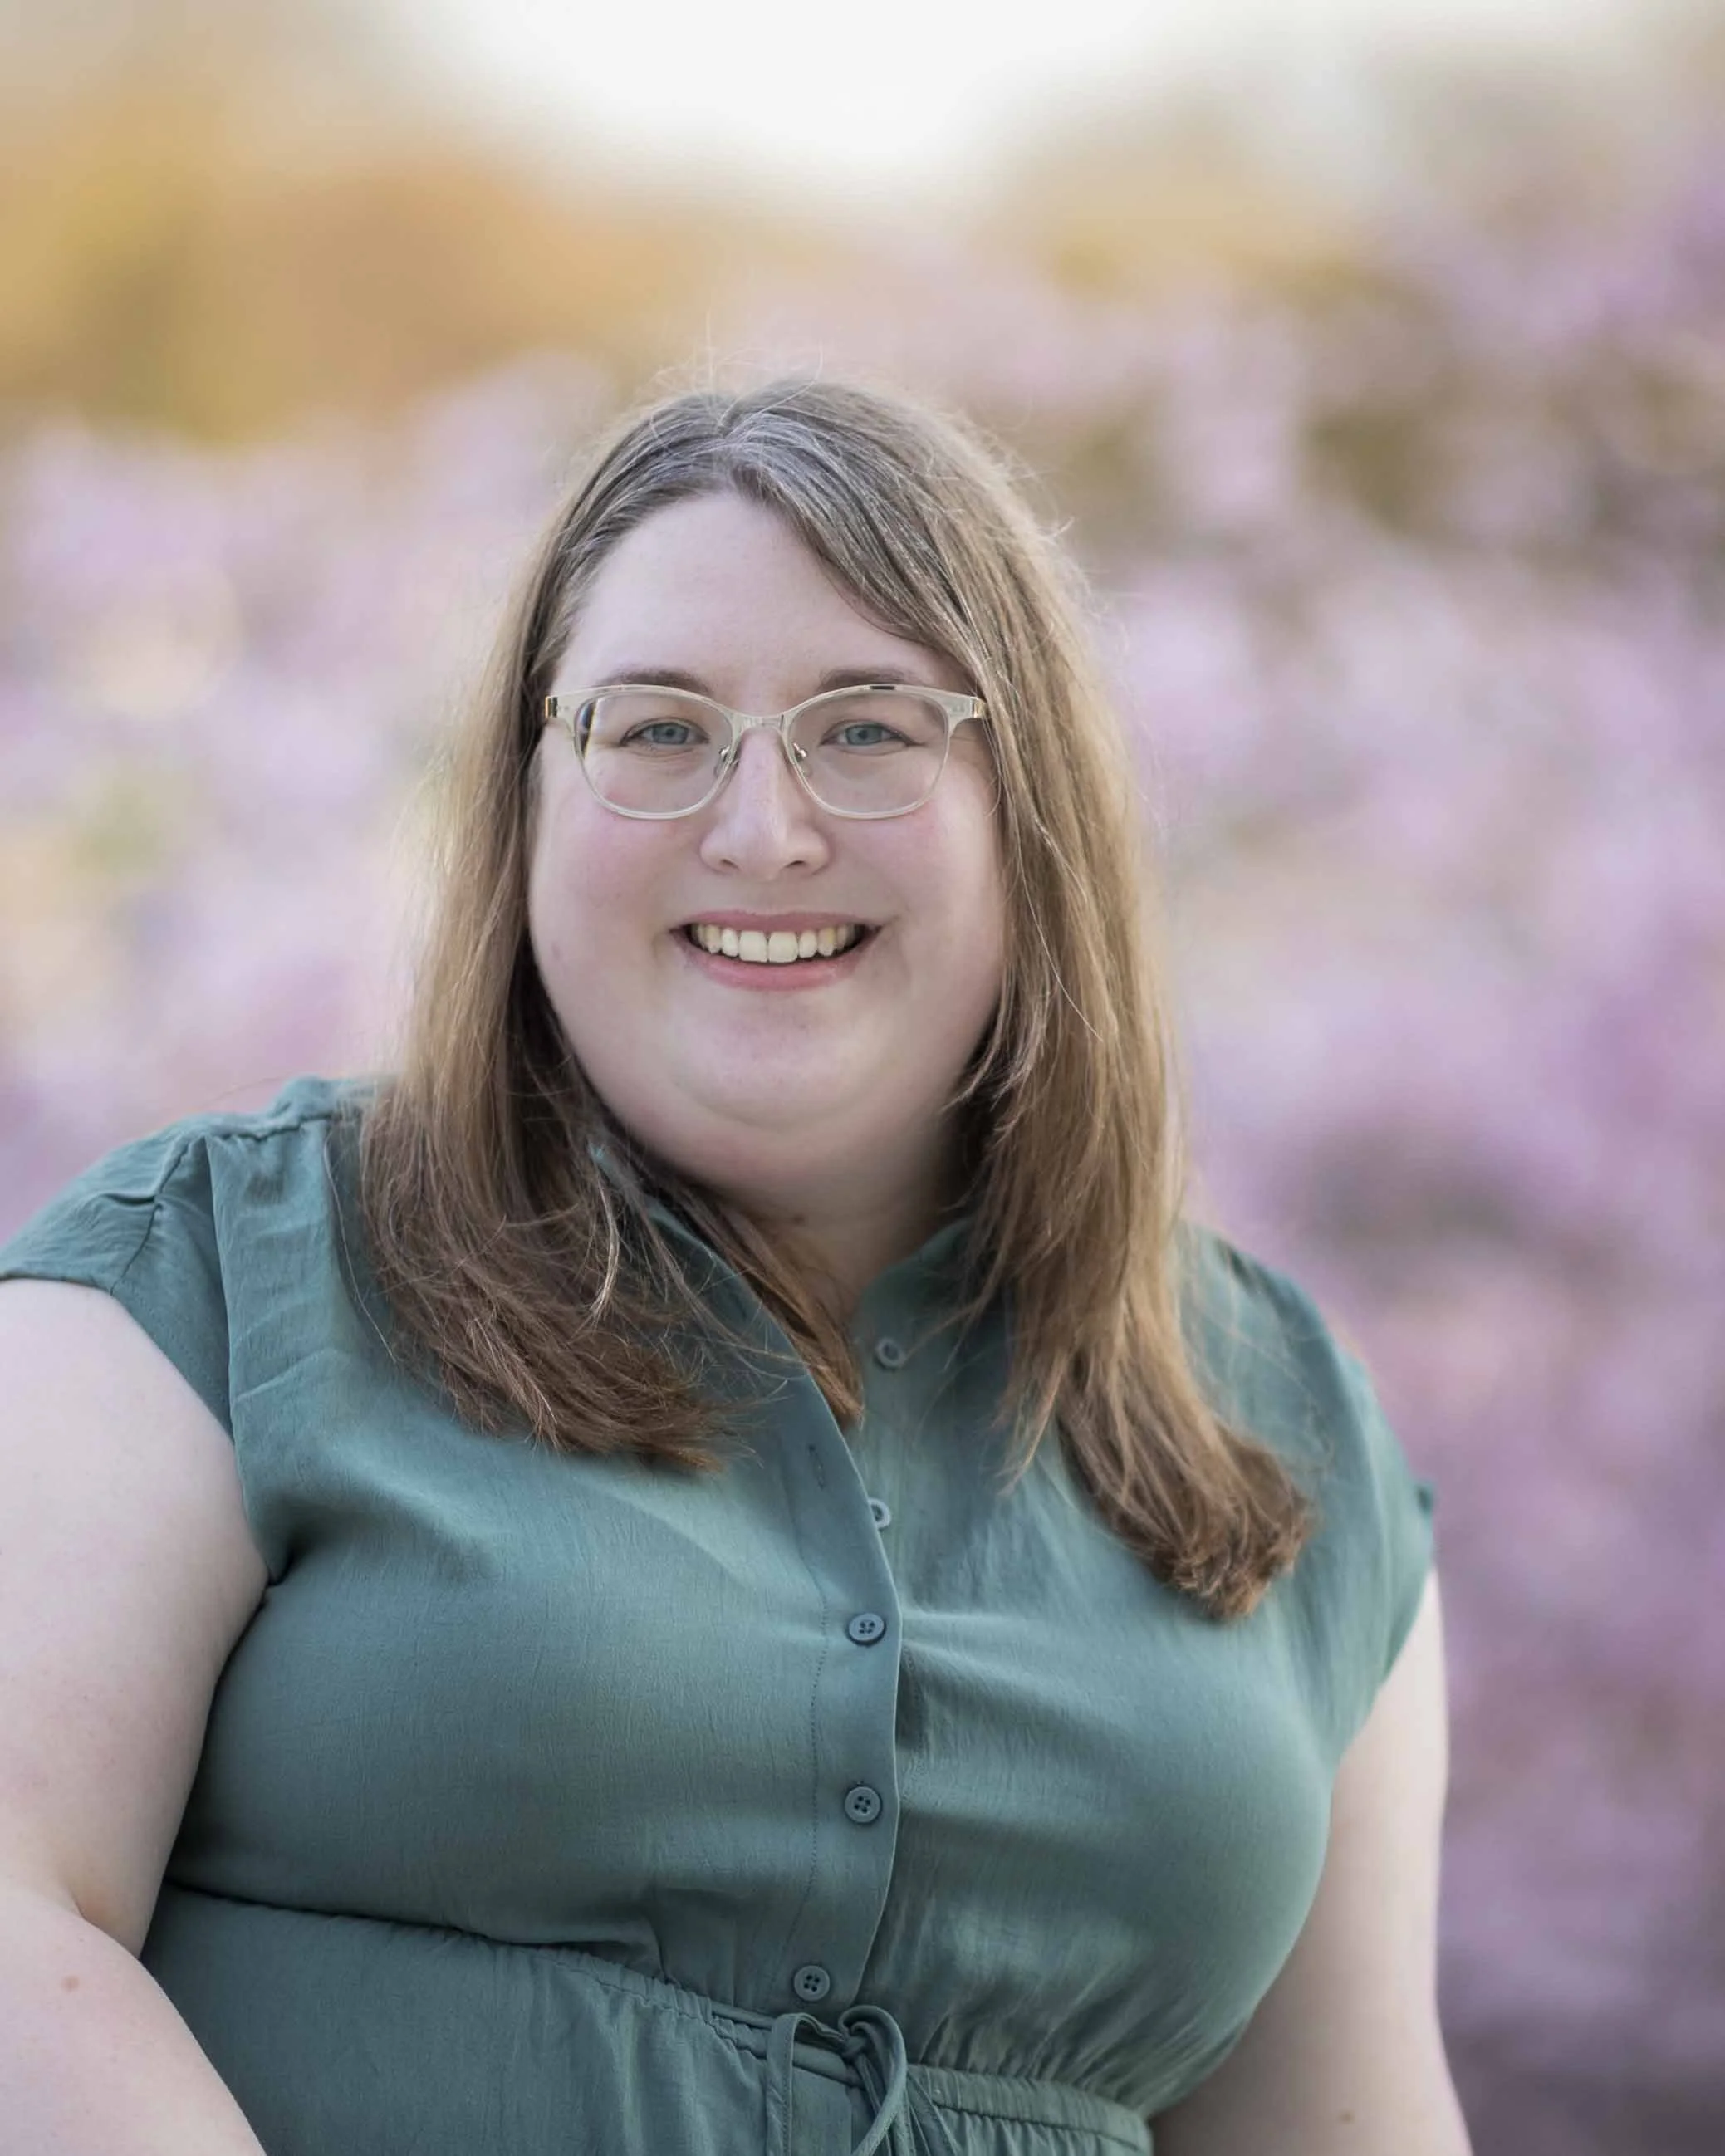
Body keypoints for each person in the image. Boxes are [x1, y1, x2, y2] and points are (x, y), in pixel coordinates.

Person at [0, 376, 1472, 2156]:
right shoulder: (201, 1288)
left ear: (1037, 815)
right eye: (658, 728)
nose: (761, 827)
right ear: (528, 797)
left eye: (867, 730)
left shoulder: (1283, 1430)